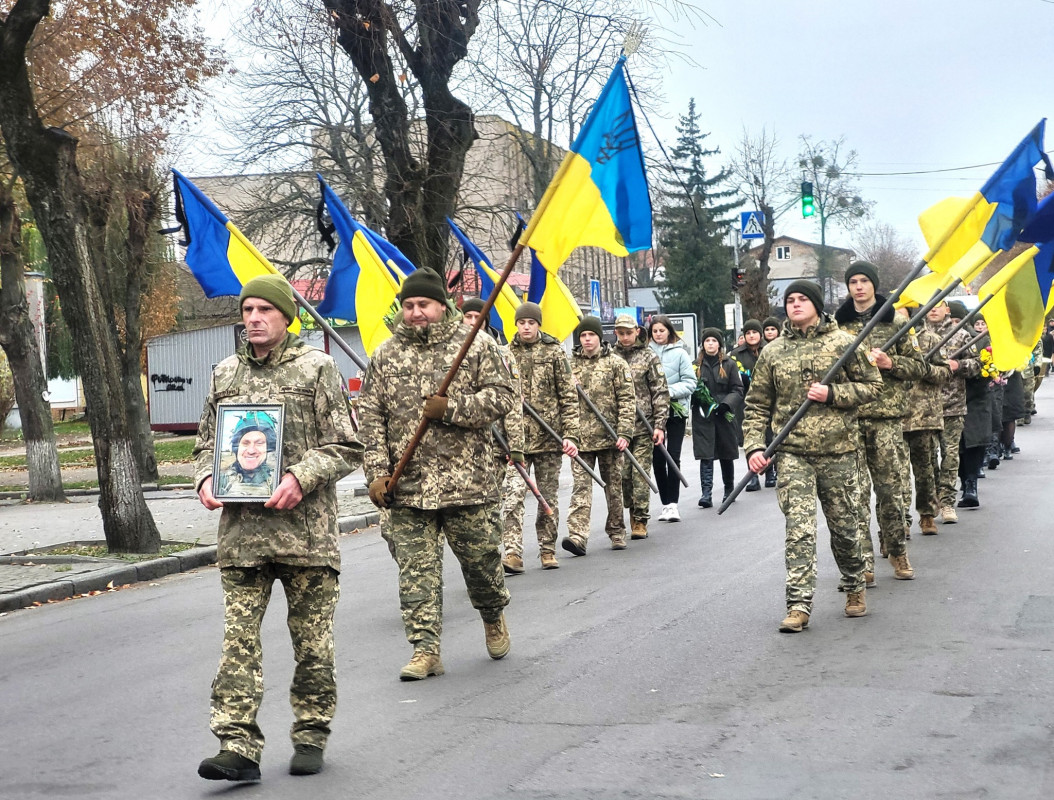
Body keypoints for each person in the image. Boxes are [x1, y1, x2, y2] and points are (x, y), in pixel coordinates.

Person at [193, 274, 362, 782]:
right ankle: (238, 745)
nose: (254, 319)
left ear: (286, 316)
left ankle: (311, 733)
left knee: (312, 644)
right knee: (237, 642)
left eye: (265, 310)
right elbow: (205, 443)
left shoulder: (317, 368)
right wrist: (205, 477)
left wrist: (299, 476)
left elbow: (346, 445)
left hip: (306, 536)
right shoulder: (225, 373)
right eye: (247, 310)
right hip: (243, 537)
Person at [358, 268, 515, 681]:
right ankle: (425, 650)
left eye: (423, 304)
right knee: (416, 574)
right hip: (407, 488)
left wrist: (453, 409)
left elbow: (503, 398)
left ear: (441, 306)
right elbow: (371, 417)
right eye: (408, 305)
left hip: (469, 484)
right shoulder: (386, 354)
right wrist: (376, 474)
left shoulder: (475, 345)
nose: (415, 313)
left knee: (482, 566)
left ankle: (493, 614)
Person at [743, 280, 882, 633]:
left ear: (818, 305)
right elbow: (757, 404)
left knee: (845, 529)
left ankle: (854, 585)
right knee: (799, 530)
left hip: (839, 451)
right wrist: (755, 447)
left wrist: (832, 392)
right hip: (793, 454)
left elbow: (874, 386)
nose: (795, 305)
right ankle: (799, 605)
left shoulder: (844, 343)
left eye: (803, 299)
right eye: (790, 300)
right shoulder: (772, 352)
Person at [833, 262, 925, 582]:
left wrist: (890, 362)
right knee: (855, 494)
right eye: (853, 282)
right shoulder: (836, 326)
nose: (858, 287)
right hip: (849, 419)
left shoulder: (896, 322)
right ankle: (864, 562)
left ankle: (898, 551)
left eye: (864, 281)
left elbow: (919, 367)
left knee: (890, 491)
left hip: (886, 419)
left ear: (874, 284)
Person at [502, 302, 580, 571]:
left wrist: (571, 435)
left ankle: (547, 549)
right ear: (516, 324)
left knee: (547, 496)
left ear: (538, 324)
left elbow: (568, 396)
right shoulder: (504, 354)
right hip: (515, 441)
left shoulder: (554, 352)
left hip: (549, 438)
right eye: (522, 322)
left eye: (531, 323)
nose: (526, 327)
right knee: (512, 497)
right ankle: (512, 552)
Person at [561, 316, 635, 556]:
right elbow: (562, 401)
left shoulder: (615, 363)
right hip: (580, 439)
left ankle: (616, 531)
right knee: (581, 488)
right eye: (583, 336)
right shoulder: (569, 364)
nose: (587, 339)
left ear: (599, 337)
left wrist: (625, 432)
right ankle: (578, 535)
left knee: (613, 488)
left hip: (610, 436)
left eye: (591, 335)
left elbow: (626, 399)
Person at [613, 313, 669, 540]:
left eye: (629, 333)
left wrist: (660, 424)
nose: (625, 337)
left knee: (640, 473)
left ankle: (640, 519)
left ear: (637, 331)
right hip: (618, 426)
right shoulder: (611, 357)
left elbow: (660, 391)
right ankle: (631, 510)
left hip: (644, 424)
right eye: (621, 333)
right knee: (623, 475)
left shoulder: (648, 357)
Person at [925, 300, 980, 524]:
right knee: (927, 460)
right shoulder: (916, 336)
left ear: (947, 309)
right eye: (930, 305)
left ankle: (947, 501)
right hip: (924, 409)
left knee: (950, 456)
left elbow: (977, 364)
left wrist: (960, 366)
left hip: (953, 406)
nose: (934, 309)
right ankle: (930, 501)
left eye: (939, 305)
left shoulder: (960, 335)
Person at [901, 315, 951, 536]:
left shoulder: (930, 339)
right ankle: (900, 519)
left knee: (925, 470)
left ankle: (927, 514)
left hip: (924, 417)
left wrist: (925, 369)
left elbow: (945, 372)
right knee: (897, 474)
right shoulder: (885, 338)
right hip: (894, 416)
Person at [648, 315, 695, 522]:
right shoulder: (646, 353)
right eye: (655, 331)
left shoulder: (680, 354)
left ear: (669, 331)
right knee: (658, 458)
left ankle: (674, 504)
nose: (658, 334)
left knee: (673, 456)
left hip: (675, 411)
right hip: (653, 413)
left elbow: (690, 382)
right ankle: (665, 503)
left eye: (662, 330)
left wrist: (667, 391)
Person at [692, 328, 743, 508]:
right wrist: (696, 396)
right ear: (703, 344)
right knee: (706, 455)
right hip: (703, 417)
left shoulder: (729, 364)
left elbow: (737, 389)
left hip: (723, 415)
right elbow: (689, 388)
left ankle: (729, 490)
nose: (710, 344)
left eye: (714, 341)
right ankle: (706, 493)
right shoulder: (696, 365)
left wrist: (726, 404)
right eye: (707, 341)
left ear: (719, 344)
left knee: (725, 453)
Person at [730, 320, 765, 491]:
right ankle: (753, 475)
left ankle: (771, 471)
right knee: (749, 438)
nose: (751, 336)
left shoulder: (768, 351)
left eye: (755, 332)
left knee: (770, 435)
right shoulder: (736, 354)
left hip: (768, 399)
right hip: (745, 400)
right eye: (748, 333)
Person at [215, 411, 279, 498]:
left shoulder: (280, 482)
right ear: (237, 448)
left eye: (259, 443)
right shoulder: (220, 481)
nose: (251, 450)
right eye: (245, 443)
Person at [760, 315, 783, 486]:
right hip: (765, 398)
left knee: (778, 437)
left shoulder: (784, 347)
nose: (769, 332)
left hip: (781, 400)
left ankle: (776, 470)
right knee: (766, 437)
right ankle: (766, 472)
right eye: (766, 329)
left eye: (772, 329)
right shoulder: (764, 351)